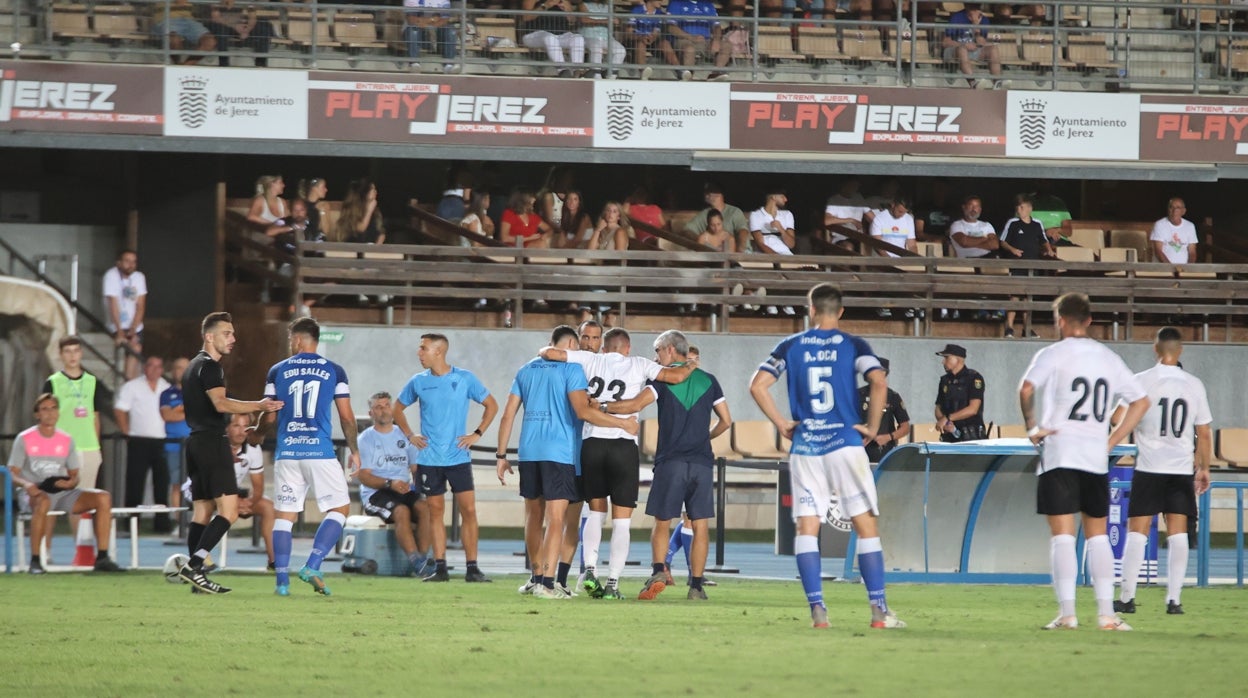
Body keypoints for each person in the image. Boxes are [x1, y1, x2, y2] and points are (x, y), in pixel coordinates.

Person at [750, 282, 905, 630]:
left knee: (808, 527)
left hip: (806, 445)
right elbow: (878, 382)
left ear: (811, 310)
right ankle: (879, 611)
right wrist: (872, 425)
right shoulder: (853, 344)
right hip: (845, 443)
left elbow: (757, 385)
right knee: (865, 525)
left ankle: (818, 610)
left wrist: (782, 423)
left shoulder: (790, 345)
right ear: (841, 311)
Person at [1019, 292, 1149, 631]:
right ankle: (1107, 614)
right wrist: (1111, 440)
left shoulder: (1053, 353)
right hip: (1094, 456)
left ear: (1059, 320)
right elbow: (1140, 402)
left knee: (1062, 536)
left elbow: (1026, 389)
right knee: (1098, 535)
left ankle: (1068, 614)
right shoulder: (1108, 357)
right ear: (1090, 320)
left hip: (1060, 451)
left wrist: (1033, 427)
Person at [539, 327, 696, 599]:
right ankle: (613, 583)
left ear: (604, 347)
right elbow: (676, 375)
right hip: (624, 445)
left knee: (596, 513)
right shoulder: (639, 364)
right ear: (627, 347)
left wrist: (547, 350)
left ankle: (589, 570)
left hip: (592, 443)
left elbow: (548, 352)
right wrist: (692, 363)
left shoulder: (589, 360)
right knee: (622, 521)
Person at [495, 325, 639, 599]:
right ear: (572, 344)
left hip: (529, 452)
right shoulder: (573, 368)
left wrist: (501, 456)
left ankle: (541, 576)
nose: (588, 343)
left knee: (534, 517)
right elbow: (583, 411)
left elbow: (507, 415)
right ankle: (549, 582)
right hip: (564, 453)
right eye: (584, 338)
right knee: (560, 519)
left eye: (595, 338)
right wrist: (623, 423)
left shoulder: (525, 370)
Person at [601, 330, 731, 601]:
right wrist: (704, 437)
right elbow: (726, 421)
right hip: (702, 464)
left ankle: (659, 570)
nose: (655, 356)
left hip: (671, 461)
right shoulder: (710, 381)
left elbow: (634, 405)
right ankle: (696, 586)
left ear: (670, 350)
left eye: (658, 351)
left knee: (662, 522)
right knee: (700, 526)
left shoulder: (661, 381)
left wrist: (602, 407)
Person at [177, 311, 283, 595]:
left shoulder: (191, 367)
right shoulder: (210, 367)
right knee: (230, 511)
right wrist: (259, 406)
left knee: (202, 510)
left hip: (195, 443)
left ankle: (195, 580)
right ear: (209, 336)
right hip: (212, 443)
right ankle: (195, 566)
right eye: (227, 333)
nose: (233, 339)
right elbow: (221, 404)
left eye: (233, 333)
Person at [1115, 327, 1213, 616]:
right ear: (1180, 350)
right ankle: (1174, 600)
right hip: (1181, 468)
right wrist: (1204, 467)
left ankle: (1127, 598)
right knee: (1178, 533)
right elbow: (1204, 433)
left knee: (1138, 532)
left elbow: (1117, 418)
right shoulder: (1194, 384)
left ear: (1155, 350)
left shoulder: (1141, 381)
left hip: (1149, 466)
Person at [259, 318, 359, 596]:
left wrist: (258, 434)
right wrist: (355, 451)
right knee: (339, 509)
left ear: (300, 340)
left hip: (287, 451)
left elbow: (269, 415)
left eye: (292, 339)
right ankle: (313, 565)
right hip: (319, 451)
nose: (291, 344)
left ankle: (281, 582)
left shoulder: (276, 371)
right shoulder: (334, 371)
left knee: (284, 516)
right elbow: (347, 417)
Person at [393, 333, 499, 583]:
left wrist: (477, 433)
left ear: (439, 351)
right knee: (435, 512)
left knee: (469, 511)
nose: (419, 353)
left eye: (423, 349)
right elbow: (397, 408)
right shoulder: (417, 381)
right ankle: (440, 567)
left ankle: (472, 568)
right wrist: (410, 435)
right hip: (429, 459)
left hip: (458, 458)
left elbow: (492, 405)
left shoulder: (464, 378)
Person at [8, 394, 124, 574]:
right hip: (34, 492)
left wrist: (70, 483)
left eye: (53, 408)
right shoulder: (25, 438)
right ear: (37, 414)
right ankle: (36, 560)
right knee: (43, 501)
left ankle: (102, 557)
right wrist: (27, 485)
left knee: (103, 498)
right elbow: (12, 473)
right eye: (45, 409)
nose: (50, 413)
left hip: (60, 492)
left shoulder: (66, 439)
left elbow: (74, 475)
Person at [357, 391, 433, 577]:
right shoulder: (365, 439)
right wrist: (390, 483)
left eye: (386, 406)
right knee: (402, 511)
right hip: (376, 493)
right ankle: (415, 561)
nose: (383, 411)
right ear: (371, 414)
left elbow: (415, 470)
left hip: (401, 489)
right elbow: (364, 476)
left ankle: (422, 561)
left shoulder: (406, 436)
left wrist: (417, 488)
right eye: (378, 407)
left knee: (425, 508)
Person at [114, 355, 172, 532]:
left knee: (162, 483)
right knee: (134, 483)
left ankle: (162, 524)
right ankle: (131, 524)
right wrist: (126, 431)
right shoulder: (132, 386)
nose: (154, 370)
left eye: (158, 366)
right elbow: (120, 409)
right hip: (138, 440)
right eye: (151, 365)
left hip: (162, 440)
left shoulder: (167, 388)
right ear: (144, 367)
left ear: (162, 369)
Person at [42, 336, 107, 492]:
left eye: (76, 351)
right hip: (63, 447)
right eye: (68, 352)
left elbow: (95, 416)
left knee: (86, 496)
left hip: (89, 446)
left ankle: (82, 518)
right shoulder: (53, 382)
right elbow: (47, 418)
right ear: (61, 354)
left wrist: (96, 446)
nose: (72, 356)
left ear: (81, 353)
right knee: (60, 495)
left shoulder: (92, 382)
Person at [223, 413, 276, 569]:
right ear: (227, 428)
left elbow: (258, 485)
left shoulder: (253, 449)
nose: (241, 431)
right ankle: (202, 558)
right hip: (207, 492)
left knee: (268, 507)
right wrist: (234, 502)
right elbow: (212, 483)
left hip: (232, 495)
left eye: (246, 427)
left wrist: (249, 502)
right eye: (236, 426)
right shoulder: (216, 446)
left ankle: (274, 561)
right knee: (209, 506)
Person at [1000, 194, 1054, 338]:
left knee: (1028, 297)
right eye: (1017, 207)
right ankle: (1009, 328)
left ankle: (1027, 328)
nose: (1019, 209)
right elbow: (1003, 241)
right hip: (1017, 264)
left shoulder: (1037, 224)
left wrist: (1048, 249)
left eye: (1022, 207)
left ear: (1029, 208)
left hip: (1032, 265)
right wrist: (1013, 250)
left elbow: (1043, 239)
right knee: (1015, 295)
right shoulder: (1012, 223)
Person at [103, 249, 146, 379]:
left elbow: (141, 305)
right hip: (116, 324)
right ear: (119, 263)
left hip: (135, 325)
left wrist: (133, 329)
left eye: (133, 261)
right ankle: (127, 382)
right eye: (127, 261)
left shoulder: (139, 277)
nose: (131, 264)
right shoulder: (111, 275)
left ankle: (129, 382)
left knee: (135, 350)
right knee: (134, 348)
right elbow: (113, 304)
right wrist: (120, 331)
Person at [859, 358, 911, 463]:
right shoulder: (858, 394)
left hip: (884, 451)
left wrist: (889, 437)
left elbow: (905, 427)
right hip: (860, 450)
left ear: (884, 373)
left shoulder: (892, 396)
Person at [666, 0, 732, 81]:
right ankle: (687, 77)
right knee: (689, 49)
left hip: (705, 41)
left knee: (727, 46)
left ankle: (716, 74)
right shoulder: (676, 2)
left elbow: (717, 26)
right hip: (684, 39)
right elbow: (671, 27)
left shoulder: (708, 4)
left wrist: (716, 40)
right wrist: (691, 37)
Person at [933, 344, 987, 443]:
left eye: (946, 358)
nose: (943, 362)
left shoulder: (974, 378)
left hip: (971, 437)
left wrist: (947, 418)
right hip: (949, 437)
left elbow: (973, 409)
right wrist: (946, 423)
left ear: (957, 359)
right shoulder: (945, 380)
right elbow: (938, 407)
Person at [519, 0, 586, 78]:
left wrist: (567, 10)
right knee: (549, 38)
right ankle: (563, 70)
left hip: (559, 35)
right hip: (533, 35)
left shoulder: (563, 1)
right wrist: (545, 6)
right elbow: (526, 17)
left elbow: (572, 20)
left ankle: (577, 70)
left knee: (578, 38)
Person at [942, 3, 1002, 89]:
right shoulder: (957, 17)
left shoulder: (983, 19)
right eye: (973, 6)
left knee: (993, 49)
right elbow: (945, 42)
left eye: (978, 6)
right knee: (962, 49)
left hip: (973, 51)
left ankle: (997, 82)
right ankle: (973, 83)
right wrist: (963, 45)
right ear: (967, 6)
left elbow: (981, 43)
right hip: (954, 51)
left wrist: (976, 25)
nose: (976, 9)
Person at [161, 357, 191, 524]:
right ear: (173, 371)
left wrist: (180, 411)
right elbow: (168, 416)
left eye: (185, 368)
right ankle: (180, 523)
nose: (182, 371)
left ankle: (196, 521)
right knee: (176, 484)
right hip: (174, 446)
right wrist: (188, 410)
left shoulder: (198, 392)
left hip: (195, 445)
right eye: (178, 368)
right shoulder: (166, 394)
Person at [684, 182, 751, 254]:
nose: (710, 196)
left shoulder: (734, 212)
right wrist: (703, 243)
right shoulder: (704, 214)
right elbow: (687, 230)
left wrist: (740, 249)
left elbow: (743, 231)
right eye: (708, 193)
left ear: (721, 195)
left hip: (737, 253)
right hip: (712, 256)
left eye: (714, 193)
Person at [205, 0, 275, 67]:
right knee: (220, 28)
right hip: (219, 24)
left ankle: (261, 63)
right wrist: (235, 26)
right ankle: (223, 63)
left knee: (265, 25)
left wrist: (248, 29)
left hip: (237, 26)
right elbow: (216, 18)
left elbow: (252, 15)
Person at [625, 0, 679, 80]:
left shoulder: (659, 13)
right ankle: (643, 73)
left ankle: (680, 71)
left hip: (652, 41)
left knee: (665, 43)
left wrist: (653, 37)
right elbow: (628, 33)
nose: (661, 2)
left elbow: (657, 32)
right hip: (636, 39)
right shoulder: (636, 10)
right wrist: (641, 37)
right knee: (641, 44)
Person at [151, 0, 216, 65]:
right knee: (174, 40)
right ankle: (178, 65)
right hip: (165, 19)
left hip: (188, 20)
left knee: (209, 42)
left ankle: (184, 67)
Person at [404, 0, 459, 72]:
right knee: (413, 29)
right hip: (418, 33)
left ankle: (449, 65)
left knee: (450, 30)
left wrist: (425, 22)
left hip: (436, 31)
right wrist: (433, 19)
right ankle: (414, 63)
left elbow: (444, 20)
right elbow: (412, 20)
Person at [579, 0, 627, 78]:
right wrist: (606, 21)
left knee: (621, 50)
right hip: (589, 36)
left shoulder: (608, 6)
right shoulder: (584, 4)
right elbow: (584, 20)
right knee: (596, 48)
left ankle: (611, 76)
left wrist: (617, 22)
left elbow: (616, 21)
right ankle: (596, 75)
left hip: (606, 37)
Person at [748, 188, 797, 257]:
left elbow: (791, 245)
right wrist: (777, 258)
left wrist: (781, 229)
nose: (786, 199)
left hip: (786, 254)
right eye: (782, 197)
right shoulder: (756, 215)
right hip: (766, 256)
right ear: (773, 197)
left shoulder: (787, 214)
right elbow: (760, 244)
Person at [1150, 198, 1199, 266]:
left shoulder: (1190, 226)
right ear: (1168, 210)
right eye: (1171, 207)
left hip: (1183, 270)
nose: (1174, 210)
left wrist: (1188, 269)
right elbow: (1158, 251)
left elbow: (1192, 252)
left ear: (1183, 211)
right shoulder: (1159, 225)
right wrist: (1171, 269)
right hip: (1163, 269)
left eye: (1178, 208)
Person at [948, 194, 999, 259]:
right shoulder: (957, 225)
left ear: (980, 209)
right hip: (965, 262)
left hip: (986, 261)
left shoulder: (987, 225)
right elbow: (964, 242)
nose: (974, 209)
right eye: (971, 206)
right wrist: (985, 238)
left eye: (977, 206)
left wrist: (972, 243)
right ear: (964, 207)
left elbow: (995, 245)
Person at [337, 179, 386, 245]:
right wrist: (369, 211)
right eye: (372, 189)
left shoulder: (376, 211)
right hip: (354, 246)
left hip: (371, 247)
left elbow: (380, 231)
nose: (375, 192)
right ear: (365, 192)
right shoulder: (353, 208)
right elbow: (360, 228)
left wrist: (379, 242)